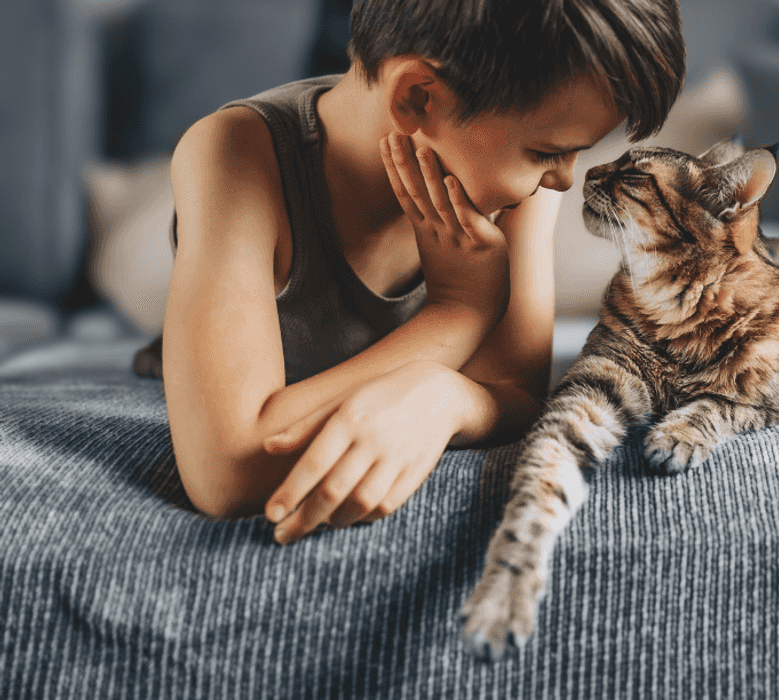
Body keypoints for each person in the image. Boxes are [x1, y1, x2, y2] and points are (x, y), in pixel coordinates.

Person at [155, 0, 685, 544]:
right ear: (416, 97)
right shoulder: (237, 154)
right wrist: (459, 310)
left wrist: (445, 399)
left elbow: (519, 392)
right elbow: (227, 473)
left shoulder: (522, 190)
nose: (563, 181)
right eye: (546, 151)